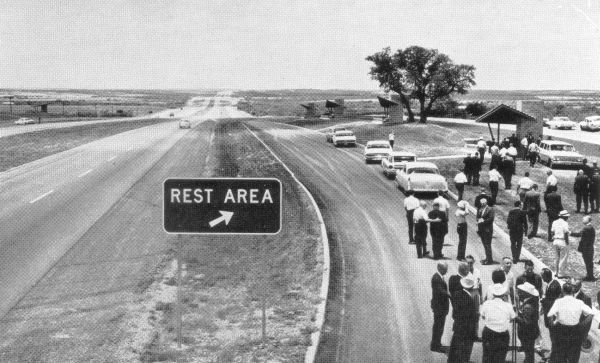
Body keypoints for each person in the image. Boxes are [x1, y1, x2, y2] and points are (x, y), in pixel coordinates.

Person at [547, 282, 595, 363]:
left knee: (559, 355)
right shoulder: (579, 302)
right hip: (574, 331)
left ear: (563, 291)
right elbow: (591, 314)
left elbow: (550, 315)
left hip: (561, 330)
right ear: (572, 292)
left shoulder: (559, 301)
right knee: (572, 356)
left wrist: (553, 324)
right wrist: (581, 325)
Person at [480, 284, 515, 363]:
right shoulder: (508, 305)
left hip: (488, 332)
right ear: (503, 294)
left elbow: (482, 316)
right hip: (502, 335)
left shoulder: (487, 303)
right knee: (500, 357)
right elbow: (513, 318)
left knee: (487, 356)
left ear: (493, 294)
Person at [447, 278, 477, 363]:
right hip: (467, 328)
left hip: (457, 326)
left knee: (454, 346)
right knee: (464, 350)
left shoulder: (456, 294)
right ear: (471, 288)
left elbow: (454, 313)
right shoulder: (470, 299)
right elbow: (472, 316)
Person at [516, 282, 541, 363]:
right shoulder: (530, 301)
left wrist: (516, 318)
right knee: (529, 353)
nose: (519, 292)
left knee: (529, 354)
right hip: (530, 333)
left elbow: (526, 323)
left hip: (527, 334)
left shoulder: (528, 306)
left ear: (526, 293)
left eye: (521, 291)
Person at [430, 261, 451, 353]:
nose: (446, 271)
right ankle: (435, 345)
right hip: (439, 307)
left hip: (441, 307)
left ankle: (437, 343)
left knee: (439, 327)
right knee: (438, 327)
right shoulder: (436, 278)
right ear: (439, 268)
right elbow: (440, 291)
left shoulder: (440, 277)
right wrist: (450, 295)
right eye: (444, 269)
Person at [571, 215, 596, 281]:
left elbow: (579, 234)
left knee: (588, 262)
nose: (582, 219)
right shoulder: (590, 227)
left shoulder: (586, 228)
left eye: (584, 219)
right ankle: (590, 276)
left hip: (587, 249)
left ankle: (590, 277)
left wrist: (570, 233)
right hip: (589, 248)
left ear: (588, 220)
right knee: (589, 262)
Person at [552, 210, 571, 278]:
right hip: (562, 241)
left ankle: (556, 272)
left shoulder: (554, 222)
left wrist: (554, 237)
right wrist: (567, 242)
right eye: (566, 217)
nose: (567, 218)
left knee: (556, 257)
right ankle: (560, 273)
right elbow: (566, 233)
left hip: (556, 241)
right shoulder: (565, 223)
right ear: (564, 217)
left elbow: (552, 232)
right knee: (563, 258)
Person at [477, 198, 495, 265]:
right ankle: (487, 258)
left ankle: (490, 260)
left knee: (487, 245)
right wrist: (478, 220)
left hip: (487, 229)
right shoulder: (480, 209)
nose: (482, 204)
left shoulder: (490, 209)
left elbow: (491, 219)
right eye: (481, 203)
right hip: (481, 229)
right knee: (484, 244)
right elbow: (477, 217)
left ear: (486, 203)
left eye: (483, 203)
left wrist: (483, 221)